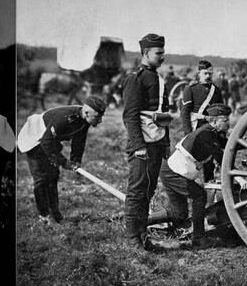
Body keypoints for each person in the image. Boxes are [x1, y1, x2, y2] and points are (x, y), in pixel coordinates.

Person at [147, 103, 247, 248]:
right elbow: (220, 157)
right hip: (173, 173)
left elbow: (228, 144)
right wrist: (238, 177)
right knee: (199, 196)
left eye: (228, 119)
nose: (228, 123)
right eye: (224, 120)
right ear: (213, 121)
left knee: (179, 214)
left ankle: (141, 221)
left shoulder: (211, 132)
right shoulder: (205, 134)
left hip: (173, 171)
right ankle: (198, 239)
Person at [17, 96, 106, 224]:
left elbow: (79, 141)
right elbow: (46, 142)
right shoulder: (64, 119)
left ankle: (56, 214)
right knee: (41, 179)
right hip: (34, 137)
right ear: (87, 113)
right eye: (98, 116)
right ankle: (45, 216)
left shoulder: (84, 120)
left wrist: (75, 160)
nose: (100, 121)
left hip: (49, 139)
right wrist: (63, 162)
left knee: (53, 176)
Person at [121, 33, 171, 250]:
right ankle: (134, 239)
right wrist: (139, 147)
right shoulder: (136, 78)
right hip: (142, 146)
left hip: (157, 144)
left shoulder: (159, 79)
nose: (162, 57)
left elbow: (164, 115)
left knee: (149, 191)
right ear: (145, 53)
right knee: (137, 191)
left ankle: (143, 236)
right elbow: (130, 116)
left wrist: (166, 144)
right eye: (158, 53)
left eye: (163, 52)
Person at [181, 60, 224, 135]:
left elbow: (220, 113)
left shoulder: (217, 91)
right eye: (205, 73)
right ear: (199, 73)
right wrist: (188, 134)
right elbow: (185, 114)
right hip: (196, 128)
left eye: (210, 74)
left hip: (212, 128)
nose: (208, 76)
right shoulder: (190, 89)